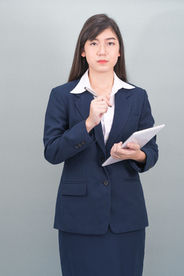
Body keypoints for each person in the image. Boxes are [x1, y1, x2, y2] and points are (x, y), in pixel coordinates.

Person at [43, 13, 158, 276]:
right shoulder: (62, 95)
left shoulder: (137, 96)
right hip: (78, 216)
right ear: (83, 51)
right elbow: (51, 151)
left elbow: (152, 151)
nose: (102, 50)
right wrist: (87, 124)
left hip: (126, 215)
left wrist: (137, 154)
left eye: (110, 43)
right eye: (94, 43)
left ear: (119, 52)